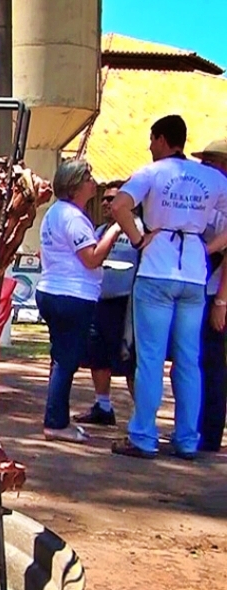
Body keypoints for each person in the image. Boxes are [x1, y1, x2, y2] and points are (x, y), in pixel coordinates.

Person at [110, 115, 227, 460]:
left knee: (150, 357)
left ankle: (144, 436)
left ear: (162, 140)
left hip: (158, 265)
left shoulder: (152, 172)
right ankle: (187, 438)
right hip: (193, 270)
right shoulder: (211, 177)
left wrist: (137, 237)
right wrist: (210, 247)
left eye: (152, 139)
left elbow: (118, 205)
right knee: (189, 359)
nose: (150, 146)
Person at [34, 158, 121, 443]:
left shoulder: (54, 215)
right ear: (75, 186)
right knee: (66, 360)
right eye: (87, 178)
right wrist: (115, 230)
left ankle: (57, 416)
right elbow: (92, 258)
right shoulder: (73, 218)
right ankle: (56, 423)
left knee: (60, 357)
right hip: (72, 296)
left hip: (52, 291)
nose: (93, 182)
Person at [74, 180, 140, 426]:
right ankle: (102, 406)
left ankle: (142, 414)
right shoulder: (99, 230)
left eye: (112, 199)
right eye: (105, 199)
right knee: (97, 355)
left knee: (130, 360)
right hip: (99, 302)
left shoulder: (139, 230)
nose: (106, 203)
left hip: (127, 305)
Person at [194, 139, 227, 453]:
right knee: (199, 361)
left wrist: (220, 300)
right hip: (202, 288)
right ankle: (199, 426)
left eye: (211, 162)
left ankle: (210, 433)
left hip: (215, 292)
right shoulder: (210, 199)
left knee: (213, 363)